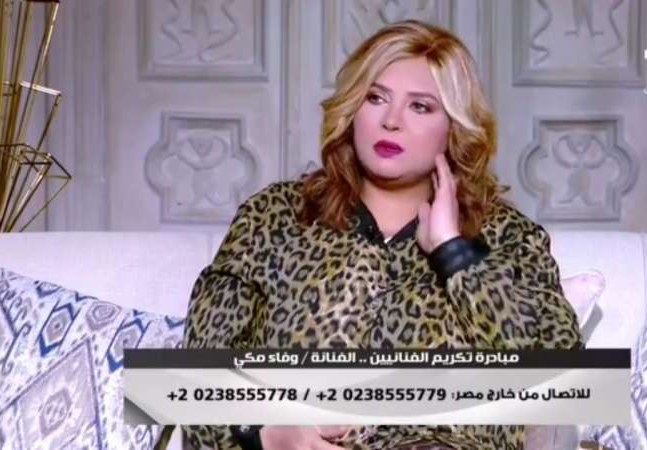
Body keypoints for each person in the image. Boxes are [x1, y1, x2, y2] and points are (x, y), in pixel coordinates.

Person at [181, 19, 583, 450]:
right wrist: (264, 434)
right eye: (376, 98)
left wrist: (454, 253)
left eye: (420, 107)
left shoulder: (507, 237)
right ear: (353, 109)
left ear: (454, 129)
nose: (391, 121)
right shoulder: (274, 217)